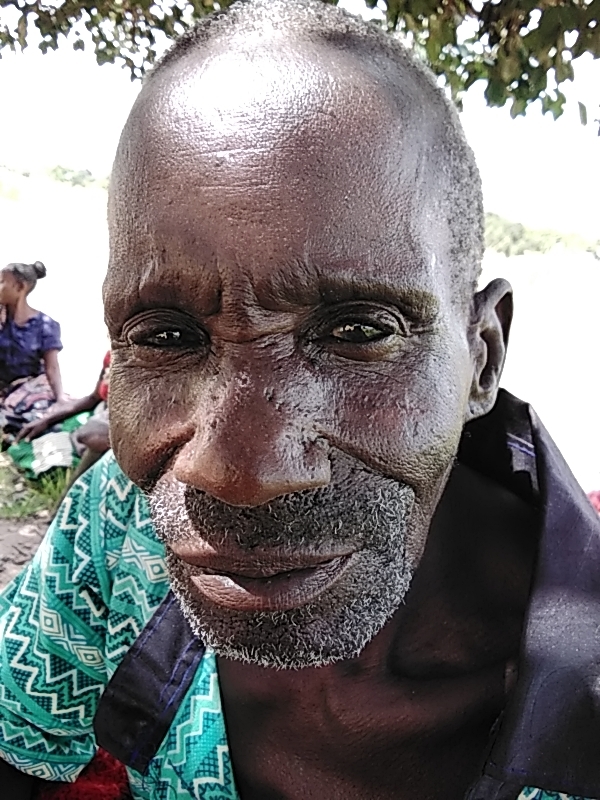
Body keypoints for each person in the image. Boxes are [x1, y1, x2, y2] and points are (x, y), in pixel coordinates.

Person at [0, 2, 599, 799]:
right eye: (168, 337)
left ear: (482, 356)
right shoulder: (115, 527)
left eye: (358, 331)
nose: (242, 474)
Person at [0, 260, 65, 446]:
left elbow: (52, 368)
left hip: (30, 387)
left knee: (39, 417)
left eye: (2, 282)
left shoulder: (45, 325)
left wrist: (60, 399)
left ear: (20, 287)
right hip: (3, 391)